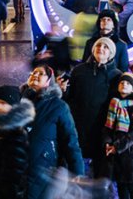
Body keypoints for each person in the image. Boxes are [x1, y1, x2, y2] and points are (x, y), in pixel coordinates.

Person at [20, 66, 85, 199]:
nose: (35, 75)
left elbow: (70, 141)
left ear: (49, 81)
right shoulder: (18, 101)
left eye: (41, 73)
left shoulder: (58, 106)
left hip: (43, 170)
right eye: (33, 73)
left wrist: (78, 174)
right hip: (17, 169)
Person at [63, 37, 123, 177]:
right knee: (77, 169)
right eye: (98, 45)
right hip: (79, 126)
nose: (100, 48)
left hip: (102, 130)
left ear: (111, 53)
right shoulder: (79, 70)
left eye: (105, 47)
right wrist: (63, 90)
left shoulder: (116, 75)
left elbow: (127, 99)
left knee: (101, 172)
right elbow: (69, 97)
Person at [103, 73, 133, 199]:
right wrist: (107, 142)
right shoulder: (114, 103)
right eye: (122, 83)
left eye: (128, 84)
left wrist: (117, 146)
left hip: (129, 154)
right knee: (121, 187)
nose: (124, 85)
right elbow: (108, 126)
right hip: (115, 154)